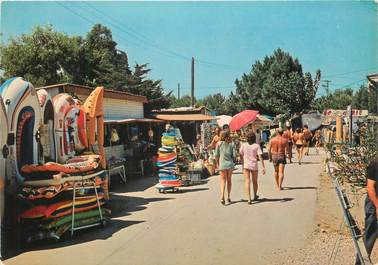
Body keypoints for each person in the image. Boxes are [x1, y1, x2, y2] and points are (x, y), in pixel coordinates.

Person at [356, 157, 378, 265]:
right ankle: (360, 262)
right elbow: (370, 188)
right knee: (371, 233)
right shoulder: (375, 164)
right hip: (374, 203)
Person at [239, 132, 266, 204]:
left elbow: (240, 154)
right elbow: (260, 156)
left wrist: (242, 162)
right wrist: (263, 167)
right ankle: (255, 195)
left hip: (246, 165)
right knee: (255, 181)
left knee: (247, 181)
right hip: (254, 165)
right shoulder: (256, 146)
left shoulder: (243, 145)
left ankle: (249, 199)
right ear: (254, 138)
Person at [215, 130, 236, 205]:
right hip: (230, 164)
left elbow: (216, 155)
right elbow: (234, 156)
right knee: (229, 180)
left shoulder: (218, 144)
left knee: (223, 181)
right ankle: (228, 197)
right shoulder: (232, 144)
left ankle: (222, 196)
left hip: (222, 164)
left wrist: (217, 165)